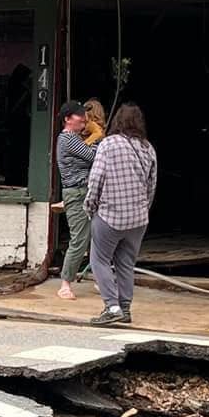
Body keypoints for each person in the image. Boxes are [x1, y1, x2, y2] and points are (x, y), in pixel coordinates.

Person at [84, 103, 159, 326]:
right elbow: (151, 186)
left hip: (110, 215)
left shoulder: (108, 144)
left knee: (99, 260)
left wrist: (90, 206)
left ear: (117, 121)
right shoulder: (148, 148)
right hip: (138, 219)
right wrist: (143, 210)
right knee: (126, 263)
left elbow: (96, 179)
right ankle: (125, 308)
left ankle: (112, 306)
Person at [54, 101, 96, 300]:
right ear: (67, 119)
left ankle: (99, 278)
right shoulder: (69, 138)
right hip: (77, 194)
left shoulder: (75, 138)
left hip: (87, 193)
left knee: (97, 237)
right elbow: (94, 156)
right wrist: (101, 137)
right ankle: (65, 284)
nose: (84, 119)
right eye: (80, 116)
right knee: (79, 239)